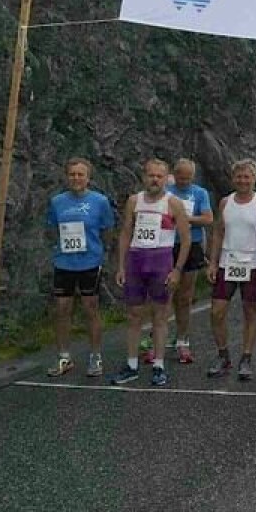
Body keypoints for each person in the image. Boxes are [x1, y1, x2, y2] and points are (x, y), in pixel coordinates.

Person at [111, 159, 191, 387]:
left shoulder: (173, 203)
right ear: (144, 177)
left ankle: (158, 365)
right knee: (134, 315)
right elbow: (126, 232)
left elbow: (185, 240)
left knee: (160, 316)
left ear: (167, 179)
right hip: (136, 261)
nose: (155, 179)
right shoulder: (134, 201)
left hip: (161, 261)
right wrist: (121, 265)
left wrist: (176, 270)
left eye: (159, 176)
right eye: (151, 175)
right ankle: (132, 364)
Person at [45, 158, 116, 377]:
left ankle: (95, 356)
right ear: (67, 176)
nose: (76, 178)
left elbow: (107, 230)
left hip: (89, 263)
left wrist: (99, 252)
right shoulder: (57, 201)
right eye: (72, 174)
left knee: (90, 309)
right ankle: (63, 357)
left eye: (80, 175)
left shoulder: (100, 201)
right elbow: (51, 228)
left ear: (88, 178)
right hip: (64, 262)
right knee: (62, 310)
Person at [206, 159, 256, 380]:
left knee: (250, 311)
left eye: (247, 177)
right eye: (239, 176)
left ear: (254, 178)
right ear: (233, 178)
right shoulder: (225, 202)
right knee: (217, 311)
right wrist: (213, 262)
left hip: (252, 263)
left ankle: (246, 357)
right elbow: (218, 232)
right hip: (228, 262)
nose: (243, 180)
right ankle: (223, 354)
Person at [160, 158, 213, 364]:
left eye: (188, 178)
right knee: (163, 294)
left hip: (191, 245)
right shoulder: (167, 191)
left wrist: (183, 218)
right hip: (166, 245)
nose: (184, 181)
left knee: (185, 296)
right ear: (174, 174)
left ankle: (182, 339)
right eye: (180, 177)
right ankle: (157, 338)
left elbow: (208, 218)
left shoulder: (199, 193)